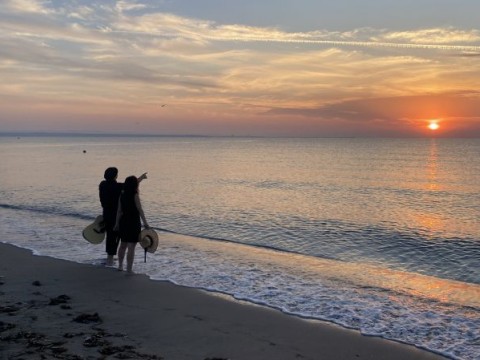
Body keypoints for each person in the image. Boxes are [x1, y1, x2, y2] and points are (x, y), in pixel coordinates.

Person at [99, 168, 147, 266]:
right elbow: (131, 184)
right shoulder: (117, 186)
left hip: (106, 214)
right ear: (115, 176)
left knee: (110, 237)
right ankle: (112, 261)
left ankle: (110, 259)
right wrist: (141, 177)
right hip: (117, 215)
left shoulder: (102, 185)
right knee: (120, 240)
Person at [114, 175, 150, 273]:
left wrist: (116, 224)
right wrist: (145, 223)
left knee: (123, 245)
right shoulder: (135, 194)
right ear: (135, 185)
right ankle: (129, 268)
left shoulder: (122, 194)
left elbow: (119, 211)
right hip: (133, 222)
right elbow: (140, 209)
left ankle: (120, 266)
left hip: (123, 221)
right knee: (131, 247)